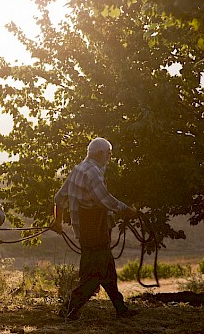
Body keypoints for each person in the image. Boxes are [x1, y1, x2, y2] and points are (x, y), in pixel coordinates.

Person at [52, 137, 140, 320]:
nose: (109, 157)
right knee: (92, 277)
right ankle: (67, 311)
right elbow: (105, 199)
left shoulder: (78, 169)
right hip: (95, 230)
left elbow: (59, 198)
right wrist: (127, 210)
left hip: (87, 230)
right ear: (100, 154)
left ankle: (121, 309)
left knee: (108, 272)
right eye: (108, 154)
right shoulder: (93, 173)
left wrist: (58, 222)